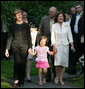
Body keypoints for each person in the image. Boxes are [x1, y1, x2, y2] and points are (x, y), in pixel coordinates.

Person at [5, 9, 32, 87]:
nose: (19, 16)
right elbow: (10, 38)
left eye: (20, 14)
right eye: (17, 15)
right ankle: (15, 79)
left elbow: (29, 37)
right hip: (15, 46)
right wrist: (7, 49)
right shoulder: (12, 26)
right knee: (17, 62)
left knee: (23, 64)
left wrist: (30, 47)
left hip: (25, 46)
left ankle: (21, 80)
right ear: (15, 16)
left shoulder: (26, 26)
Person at [51, 13, 75, 85]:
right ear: (57, 18)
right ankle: (57, 77)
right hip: (57, 46)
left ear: (64, 18)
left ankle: (61, 79)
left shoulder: (67, 25)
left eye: (62, 16)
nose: (60, 17)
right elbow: (53, 37)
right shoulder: (54, 25)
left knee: (64, 63)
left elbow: (70, 35)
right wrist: (54, 46)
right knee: (57, 63)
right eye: (59, 16)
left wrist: (72, 45)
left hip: (65, 45)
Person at [39, 6, 58, 82]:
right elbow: (40, 31)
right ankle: (48, 76)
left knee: (54, 59)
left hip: (55, 44)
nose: (50, 13)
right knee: (45, 60)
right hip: (45, 43)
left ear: (55, 12)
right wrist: (40, 42)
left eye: (52, 11)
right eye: (49, 11)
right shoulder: (44, 19)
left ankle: (56, 75)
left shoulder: (58, 19)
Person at [68, 4, 84, 75]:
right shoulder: (74, 16)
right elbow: (71, 26)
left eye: (79, 8)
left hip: (82, 37)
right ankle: (72, 70)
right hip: (75, 37)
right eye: (76, 8)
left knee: (82, 53)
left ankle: (82, 70)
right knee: (73, 53)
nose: (77, 9)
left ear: (82, 8)